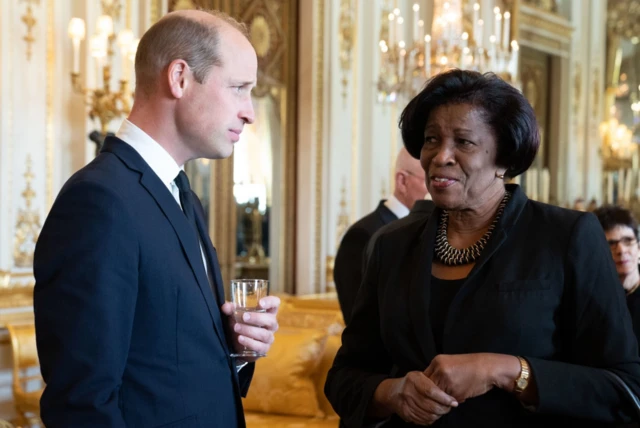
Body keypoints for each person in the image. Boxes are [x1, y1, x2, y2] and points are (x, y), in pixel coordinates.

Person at [325, 69, 640, 427]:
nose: (441, 156)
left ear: (504, 159)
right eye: (431, 139)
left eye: (463, 142)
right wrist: (391, 393)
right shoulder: (391, 245)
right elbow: (344, 377)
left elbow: (626, 389)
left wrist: (503, 370)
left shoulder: (566, 236)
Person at [33, 9, 280, 427]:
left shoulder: (184, 195)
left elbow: (168, 361)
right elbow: (82, 402)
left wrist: (236, 347)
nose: (250, 112)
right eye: (239, 88)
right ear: (179, 78)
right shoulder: (99, 201)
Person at [334, 147, 428, 325]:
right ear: (402, 181)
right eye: (428, 180)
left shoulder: (431, 232)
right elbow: (359, 321)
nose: (435, 189)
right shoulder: (363, 235)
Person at [594, 205, 640, 342]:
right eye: (611, 244)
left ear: (638, 247)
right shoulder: (594, 298)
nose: (621, 250)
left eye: (628, 241)